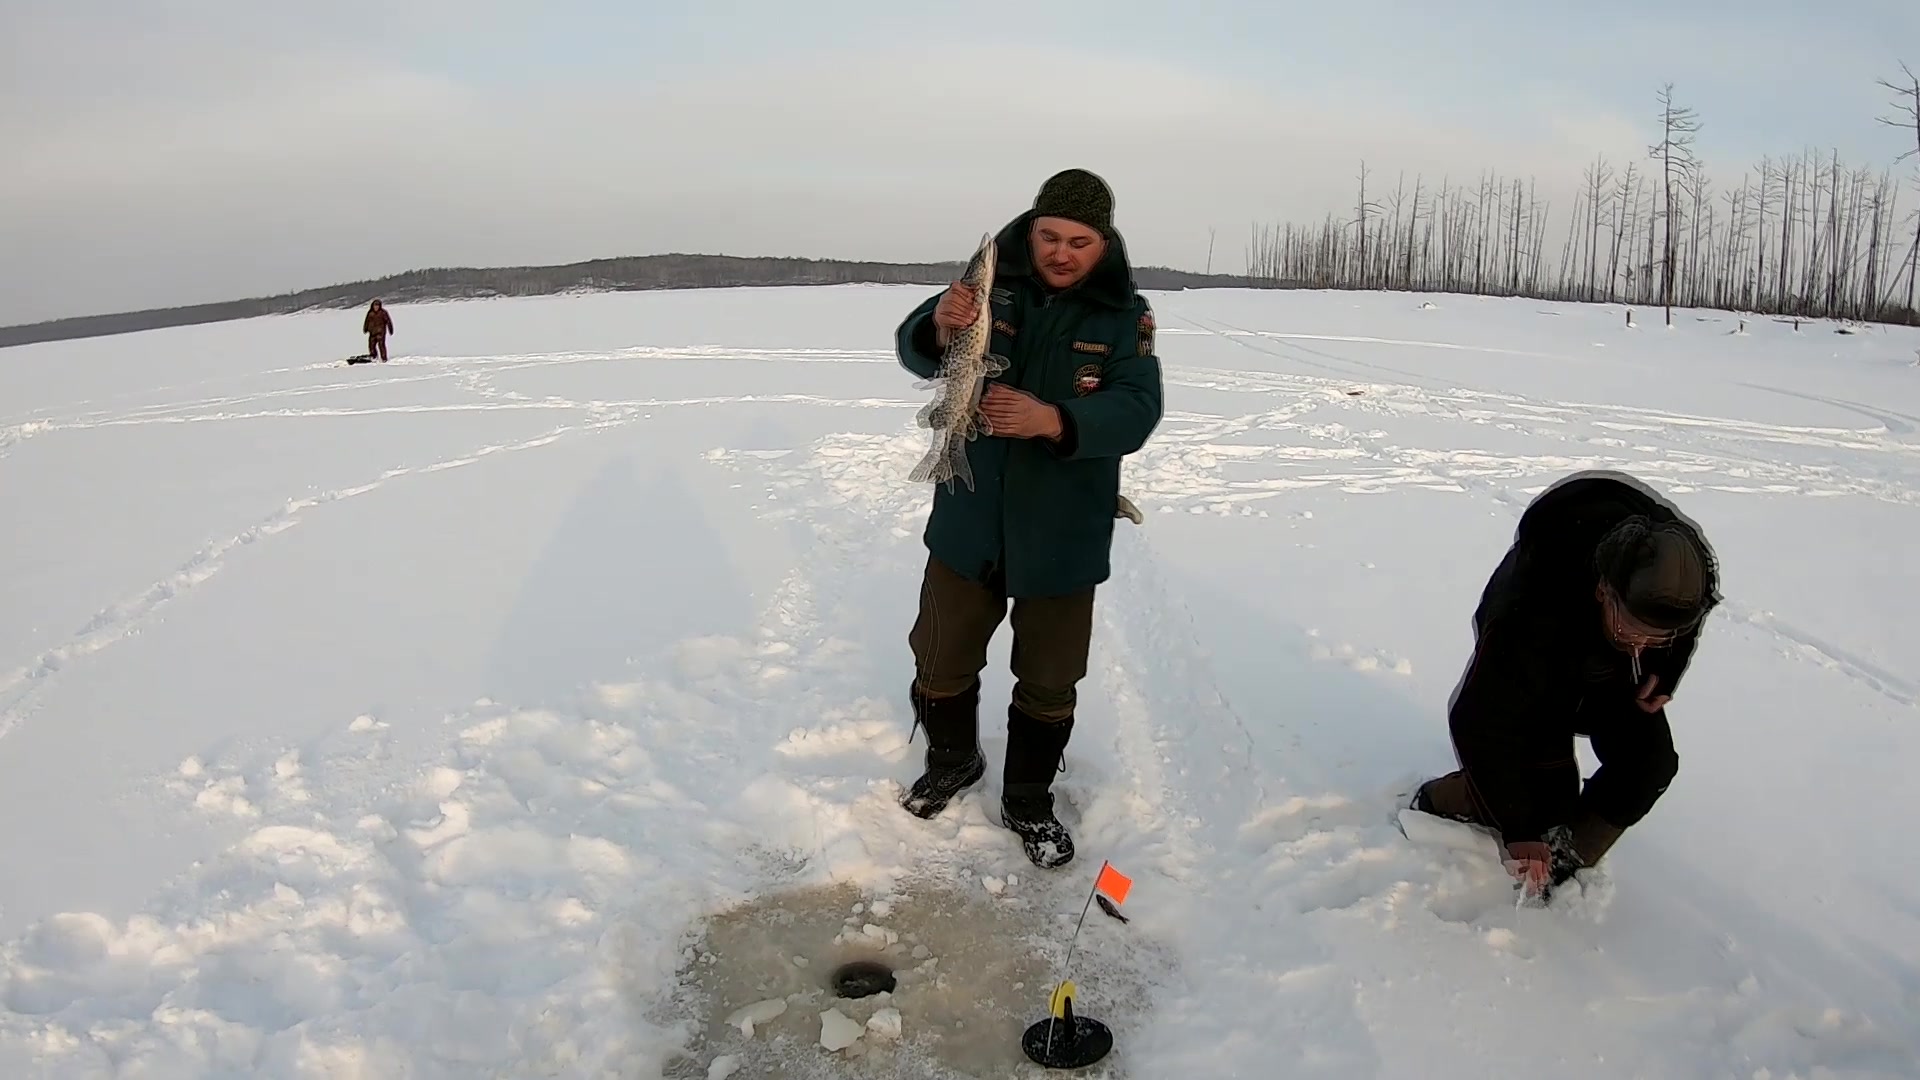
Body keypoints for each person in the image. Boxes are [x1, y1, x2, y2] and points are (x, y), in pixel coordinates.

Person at [889, 168, 1164, 870]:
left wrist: (1055, 418)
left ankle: (1028, 799)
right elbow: (917, 349)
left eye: (1079, 241)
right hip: (970, 518)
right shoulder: (986, 288)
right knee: (939, 656)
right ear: (1031, 228)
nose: (1062, 252)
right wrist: (935, 325)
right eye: (1050, 236)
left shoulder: (1122, 316)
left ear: (1103, 243)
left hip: (1063, 534)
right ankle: (952, 762)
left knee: (1049, 678)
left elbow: (1138, 408)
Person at [1410, 470, 1721, 901]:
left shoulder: (1682, 579)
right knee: (1543, 797)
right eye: (1636, 631)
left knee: (1648, 765)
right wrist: (1519, 831)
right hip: (1546, 659)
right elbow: (1477, 723)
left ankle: (1564, 857)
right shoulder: (1529, 619)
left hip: (1608, 670)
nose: (1645, 645)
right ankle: (1440, 799)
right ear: (1604, 592)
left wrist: (1667, 668)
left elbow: (1683, 626)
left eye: (1658, 638)